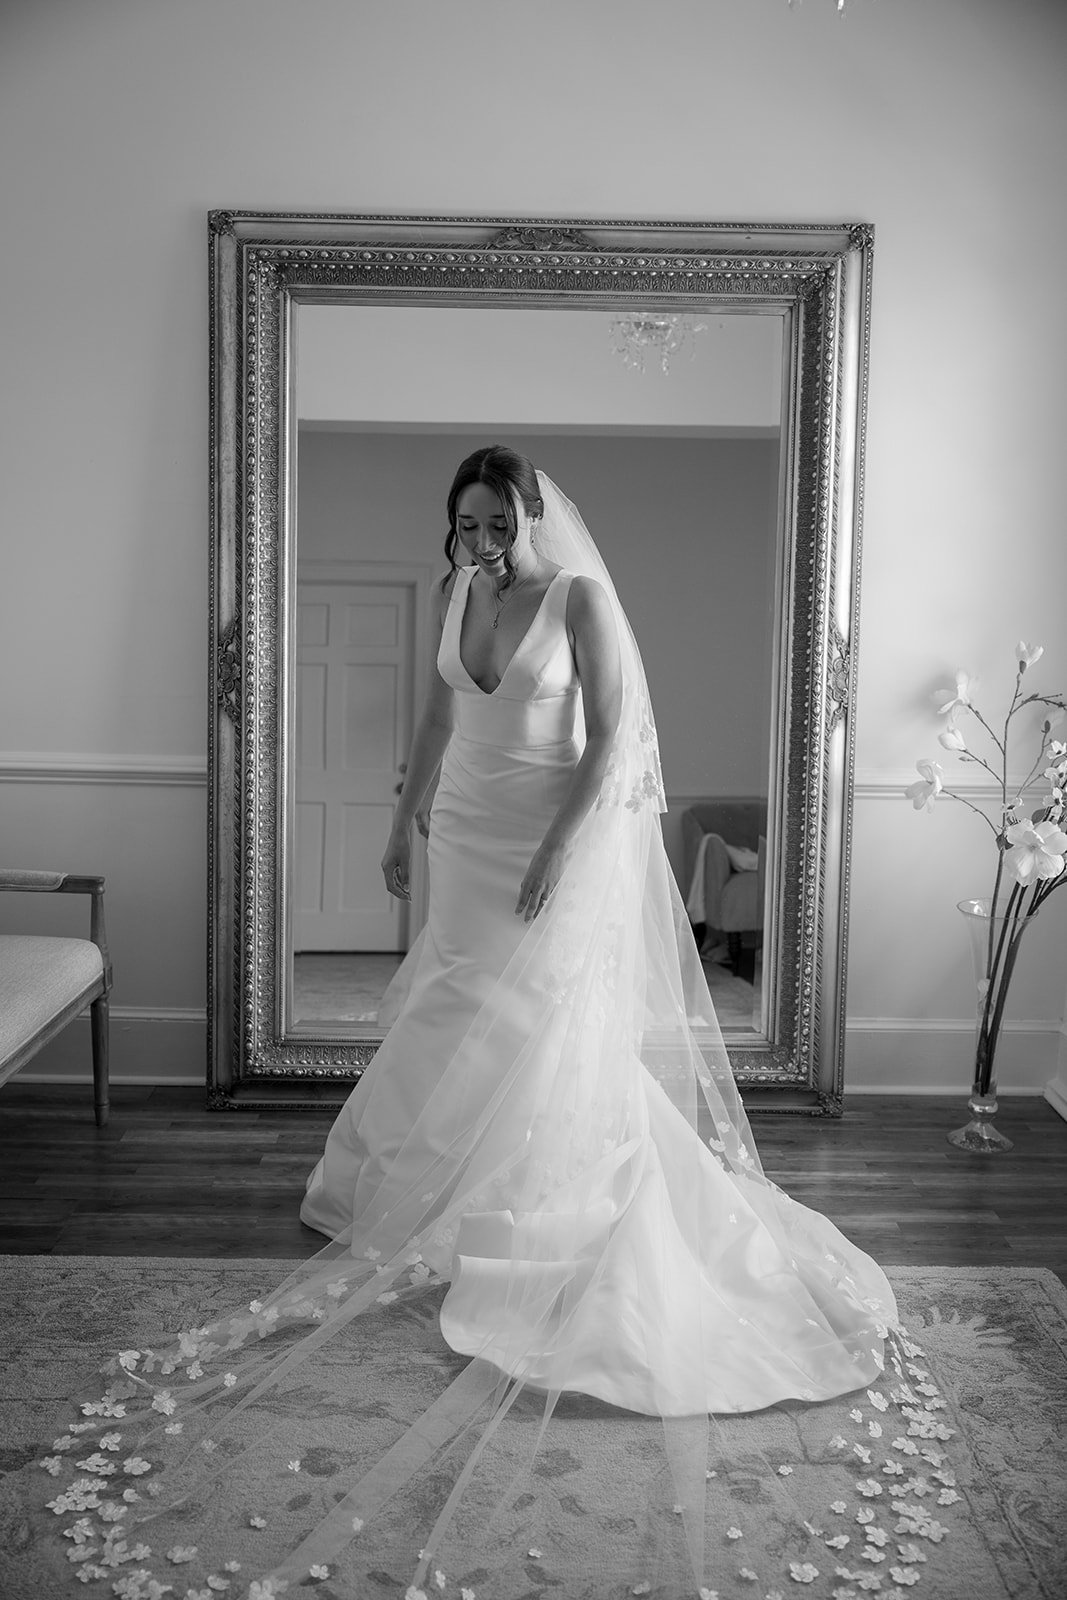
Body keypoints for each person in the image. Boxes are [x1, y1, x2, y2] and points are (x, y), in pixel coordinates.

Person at [24, 449, 940, 1600]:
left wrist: (559, 849)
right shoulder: (455, 592)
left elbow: (611, 738)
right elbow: (435, 716)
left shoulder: (580, 602)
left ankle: (530, 1197)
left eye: (497, 522)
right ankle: (434, 1189)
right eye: (465, 523)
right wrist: (400, 821)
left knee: (535, 1023)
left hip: (545, 838)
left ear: (530, 518)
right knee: (449, 1007)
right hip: (461, 833)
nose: (480, 541)